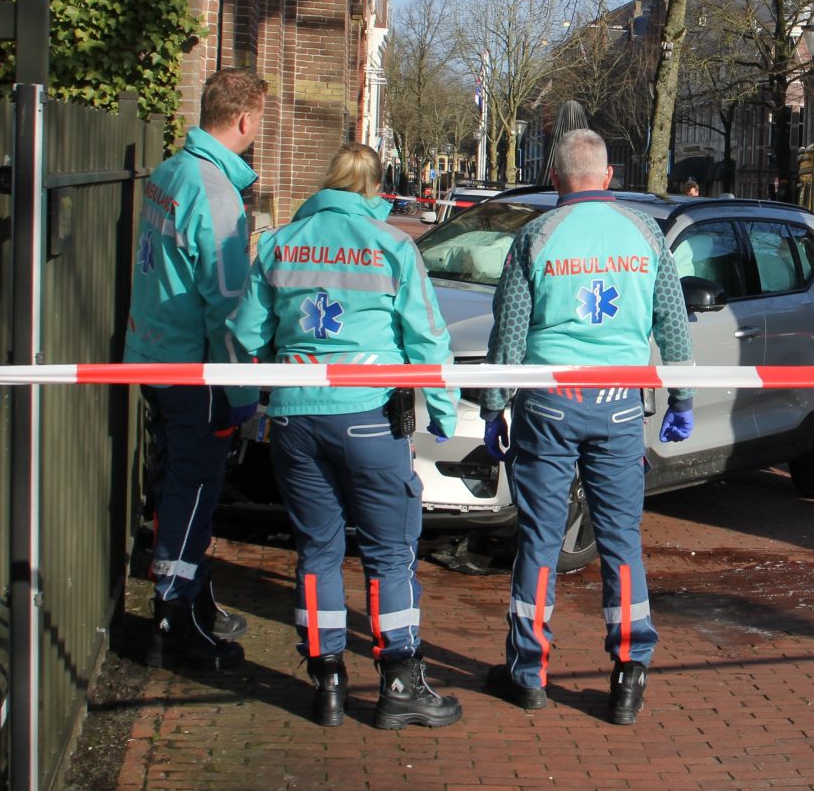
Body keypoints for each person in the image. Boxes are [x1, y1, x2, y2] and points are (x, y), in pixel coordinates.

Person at [228, 143, 463, 729]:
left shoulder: (280, 244)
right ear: (375, 190)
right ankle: (401, 685)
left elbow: (246, 335)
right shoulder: (392, 246)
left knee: (317, 550)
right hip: (368, 416)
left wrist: (243, 400)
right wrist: (443, 412)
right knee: (389, 552)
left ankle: (327, 680)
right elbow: (426, 338)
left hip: (294, 418)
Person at [479, 129, 695, 725]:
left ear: (554, 179)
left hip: (549, 404)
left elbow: (510, 336)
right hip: (621, 403)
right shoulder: (646, 234)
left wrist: (494, 404)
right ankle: (629, 673)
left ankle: (527, 673)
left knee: (540, 539)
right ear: (607, 176)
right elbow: (673, 327)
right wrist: (681, 397)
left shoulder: (535, 236)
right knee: (622, 541)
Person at [127, 68, 269, 668]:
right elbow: (229, 307)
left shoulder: (170, 172)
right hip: (197, 371)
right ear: (244, 120)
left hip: (155, 356)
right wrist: (242, 390)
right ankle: (174, 620)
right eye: (259, 120)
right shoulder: (215, 194)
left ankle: (195, 598)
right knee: (193, 488)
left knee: (174, 482)